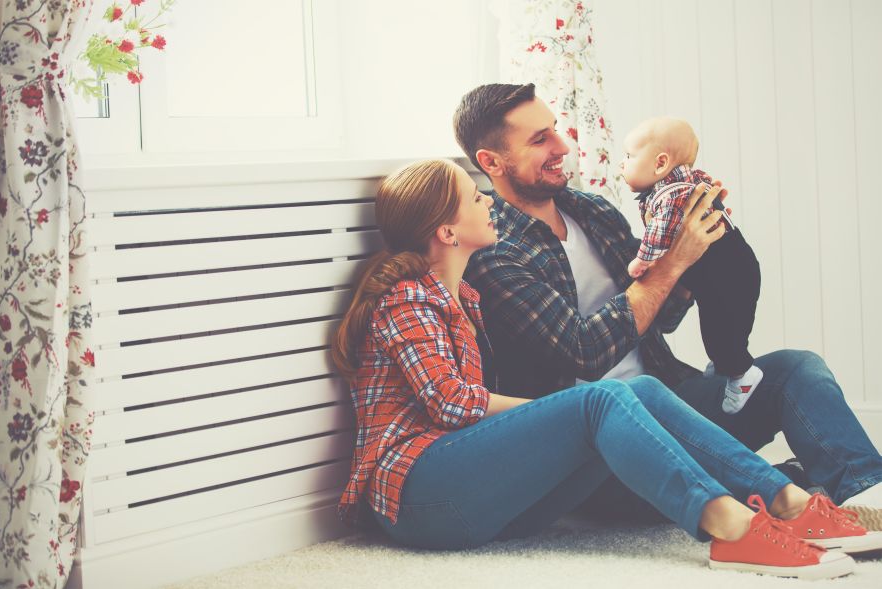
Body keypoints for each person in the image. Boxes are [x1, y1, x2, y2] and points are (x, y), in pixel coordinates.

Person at [330, 158, 879, 580]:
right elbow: (451, 403)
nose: (488, 203)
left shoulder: (465, 296)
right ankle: (733, 527)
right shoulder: (406, 299)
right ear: (447, 232)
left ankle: (790, 504)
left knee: (634, 389)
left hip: (473, 500)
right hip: (412, 492)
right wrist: (560, 417)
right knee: (602, 399)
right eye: (475, 198)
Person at [454, 82, 882, 532]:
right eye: (540, 139)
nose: (563, 146)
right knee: (650, 415)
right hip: (605, 447)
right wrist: (675, 260)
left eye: (555, 130)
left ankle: (867, 494)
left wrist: (704, 250)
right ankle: (785, 488)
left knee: (796, 369)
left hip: (670, 398)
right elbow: (584, 352)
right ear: (491, 162)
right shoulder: (492, 249)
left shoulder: (591, 211)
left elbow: (664, 317)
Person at [621, 117, 761, 414]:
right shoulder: (693, 181)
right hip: (734, 266)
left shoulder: (669, 195)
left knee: (721, 330)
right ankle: (728, 365)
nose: (622, 163)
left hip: (722, 272)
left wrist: (642, 260)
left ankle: (740, 374)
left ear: (660, 164)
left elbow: (658, 234)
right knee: (726, 324)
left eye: (629, 156)